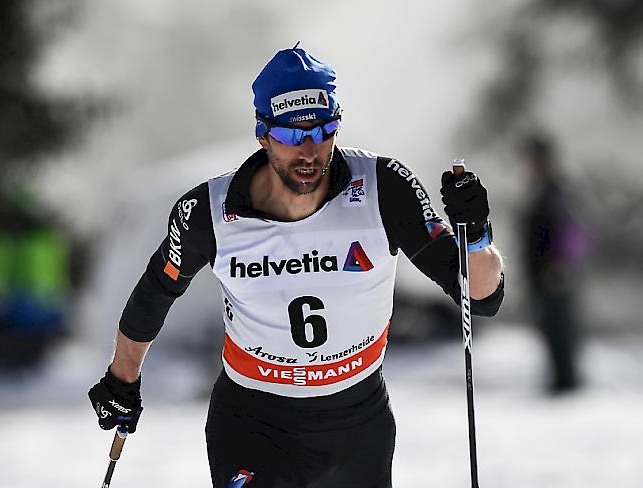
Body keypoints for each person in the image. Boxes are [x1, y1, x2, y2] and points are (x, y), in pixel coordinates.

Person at [88, 46, 505, 488]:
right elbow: (156, 290)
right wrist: (122, 379)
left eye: (323, 131)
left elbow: (481, 296)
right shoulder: (208, 210)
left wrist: (476, 233)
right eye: (291, 135)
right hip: (254, 423)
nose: (309, 152)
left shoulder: (384, 187)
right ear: (263, 134)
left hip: (357, 428)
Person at [520, 134, 588, 394]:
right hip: (544, 276)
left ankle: (566, 383)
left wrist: (562, 265)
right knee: (551, 329)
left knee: (560, 329)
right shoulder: (540, 190)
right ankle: (562, 381)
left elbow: (571, 231)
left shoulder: (555, 191)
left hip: (556, 276)